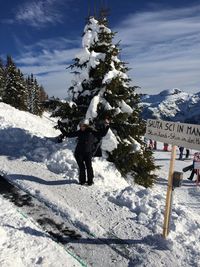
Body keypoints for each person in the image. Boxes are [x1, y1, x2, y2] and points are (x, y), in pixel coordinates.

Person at [58, 118, 110, 186]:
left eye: (83, 126)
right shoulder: (79, 132)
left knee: (89, 167)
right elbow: (68, 134)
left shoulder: (92, 132)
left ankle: (90, 181)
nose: (81, 127)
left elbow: (102, 134)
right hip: (78, 153)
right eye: (80, 125)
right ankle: (82, 181)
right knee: (82, 167)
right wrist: (61, 127)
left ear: (86, 126)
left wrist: (107, 126)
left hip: (88, 153)